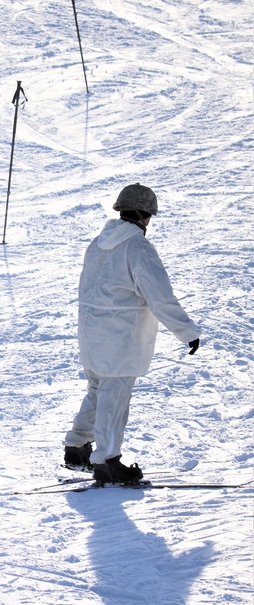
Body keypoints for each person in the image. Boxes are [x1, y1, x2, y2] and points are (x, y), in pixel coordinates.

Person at [63, 183, 201, 484]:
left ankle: (76, 447)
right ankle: (107, 461)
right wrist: (186, 331)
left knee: (99, 389)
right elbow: (160, 296)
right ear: (145, 215)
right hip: (120, 338)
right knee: (114, 398)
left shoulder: (98, 242)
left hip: (92, 333)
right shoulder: (137, 247)